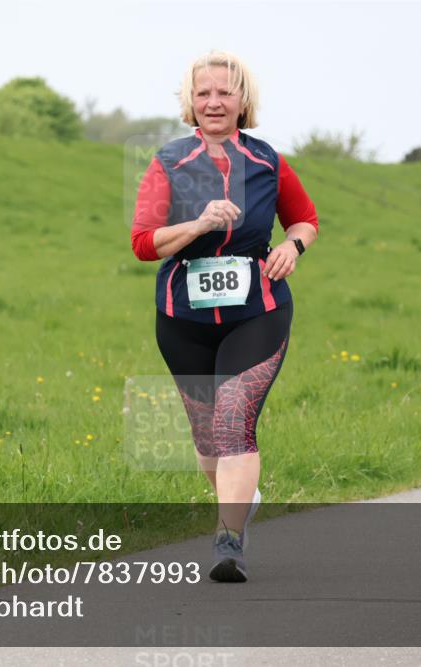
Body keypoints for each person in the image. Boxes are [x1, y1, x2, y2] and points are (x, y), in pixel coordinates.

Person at [130, 50, 318, 581]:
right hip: (183, 317)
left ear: (243, 101)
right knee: (209, 447)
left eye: (224, 92)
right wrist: (199, 224)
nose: (213, 101)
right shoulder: (169, 161)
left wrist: (293, 248)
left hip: (257, 311)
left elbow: (303, 218)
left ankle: (228, 542)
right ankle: (240, 497)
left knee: (236, 422)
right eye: (203, 92)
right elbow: (144, 243)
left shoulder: (267, 161)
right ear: (191, 101)